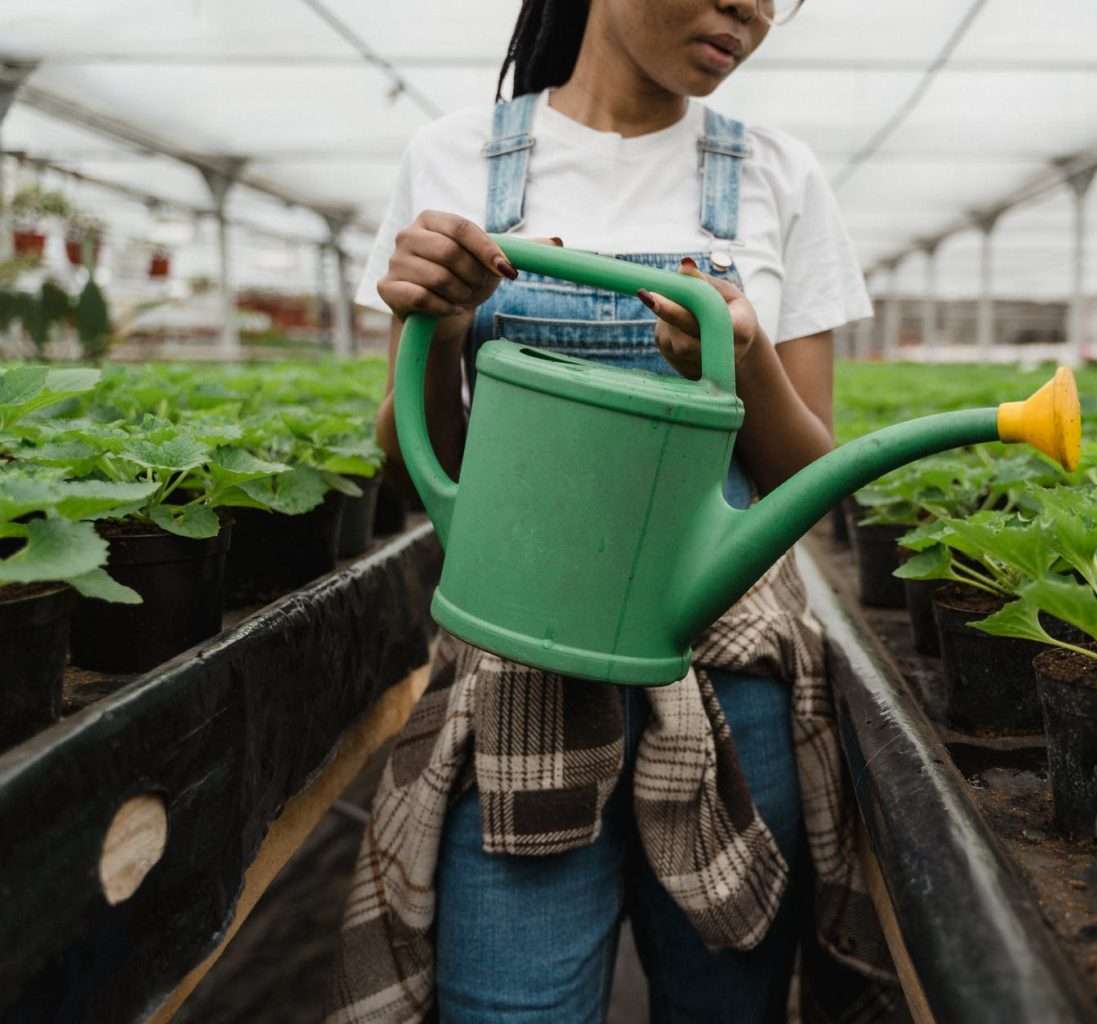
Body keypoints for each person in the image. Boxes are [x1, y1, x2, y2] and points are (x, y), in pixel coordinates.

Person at [327, 2, 896, 1023]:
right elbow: (427, 470)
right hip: (519, 676)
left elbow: (810, 478)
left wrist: (743, 358)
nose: (751, 11)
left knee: (728, 1002)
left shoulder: (777, 173)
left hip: (732, 681)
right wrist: (444, 332)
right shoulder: (454, 158)